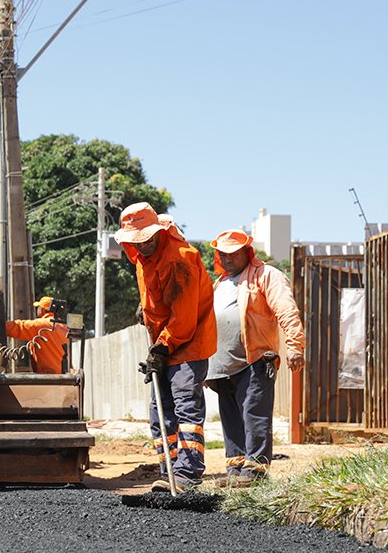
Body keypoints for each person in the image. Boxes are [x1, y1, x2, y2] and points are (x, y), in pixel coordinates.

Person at [115, 203, 216, 492]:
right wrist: (144, 310)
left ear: (158, 232)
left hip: (188, 344)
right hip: (164, 345)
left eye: (146, 237)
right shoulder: (142, 259)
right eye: (136, 240)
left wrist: (161, 349)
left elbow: (183, 319)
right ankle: (169, 473)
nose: (142, 244)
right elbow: (156, 296)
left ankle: (187, 474)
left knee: (185, 410)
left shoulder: (179, 258)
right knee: (160, 413)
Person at [206, 229, 305, 485]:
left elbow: (285, 309)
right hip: (222, 365)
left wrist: (295, 345)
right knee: (231, 419)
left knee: (254, 414)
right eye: (222, 254)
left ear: (246, 253)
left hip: (255, 360)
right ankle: (236, 471)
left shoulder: (266, 275)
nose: (227, 258)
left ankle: (255, 471)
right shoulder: (219, 284)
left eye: (234, 253)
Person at [5, 296, 70, 374]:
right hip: (64, 376)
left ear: (42, 310)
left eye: (38, 307)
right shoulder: (65, 327)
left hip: (48, 376)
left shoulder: (41, 325)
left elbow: (18, 327)